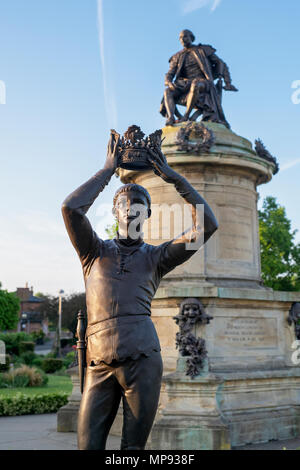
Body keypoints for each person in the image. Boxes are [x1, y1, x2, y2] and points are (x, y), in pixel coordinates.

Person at [61, 131, 218, 450]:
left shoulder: (156, 257)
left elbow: (207, 227)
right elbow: (70, 208)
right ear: (115, 212)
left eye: (139, 208)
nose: (131, 211)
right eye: (125, 206)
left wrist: (175, 179)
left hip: (143, 360)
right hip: (98, 362)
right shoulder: (92, 252)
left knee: (132, 451)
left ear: (147, 215)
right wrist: (107, 170)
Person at [160, 29, 238, 127]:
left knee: (195, 84)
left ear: (191, 38)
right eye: (180, 37)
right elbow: (170, 73)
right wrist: (168, 82)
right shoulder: (177, 56)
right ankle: (171, 117)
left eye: (185, 36)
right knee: (167, 91)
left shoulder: (203, 50)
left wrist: (227, 82)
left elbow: (220, 63)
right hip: (184, 83)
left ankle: (186, 116)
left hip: (203, 82)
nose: (182, 39)